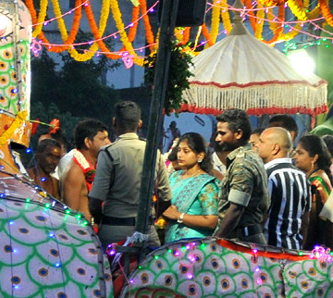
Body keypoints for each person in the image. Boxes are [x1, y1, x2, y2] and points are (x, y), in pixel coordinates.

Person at [89, 101, 171, 247]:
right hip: (147, 233)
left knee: (111, 269)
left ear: (114, 122)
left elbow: (94, 203)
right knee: (150, 268)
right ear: (139, 124)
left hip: (113, 231)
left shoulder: (108, 153)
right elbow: (166, 200)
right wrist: (149, 219)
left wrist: (103, 220)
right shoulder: (154, 153)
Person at [213, 108, 270, 245]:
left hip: (241, 241)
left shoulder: (242, 163)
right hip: (247, 238)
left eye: (222, 133)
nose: (217, 138)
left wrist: (214, 242)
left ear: (238, 133)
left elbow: (236, 209)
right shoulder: (250, 157)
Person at [162, 132, 221, 243]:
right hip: (171, 240)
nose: (180, 155)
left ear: (200, 156)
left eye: (186, 151)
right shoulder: (175, 176)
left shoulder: (207, 184)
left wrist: (179, 216)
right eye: (179, 150)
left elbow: (212, 221)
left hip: (194, 246)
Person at [258, 126, 309, 249]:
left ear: (275, 148)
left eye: (261, 142)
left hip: (269, 252)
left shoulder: (267, 175)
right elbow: (306, 220)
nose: (257, 146)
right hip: (294, 251)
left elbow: (261, 218)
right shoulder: (302, 177)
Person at [60, 118, 109, 222]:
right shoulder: (74, 171)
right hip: (83, 232)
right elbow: (70, 216)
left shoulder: (98, 166)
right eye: (102, 139)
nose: (108, 143)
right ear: (88, 142)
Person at [294, 133, 333, 249]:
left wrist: (304, 245)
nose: (295, 157)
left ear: (314, 157)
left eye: (300, 153)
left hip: (313, 245)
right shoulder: (320, 175)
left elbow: (311, 221)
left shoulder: (315, 182)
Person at [27, 136, 64, 200]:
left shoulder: (56, 184)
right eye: (50, 155)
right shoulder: (26, 176)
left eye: (57, 157)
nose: (54, 161)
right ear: (38, 156)